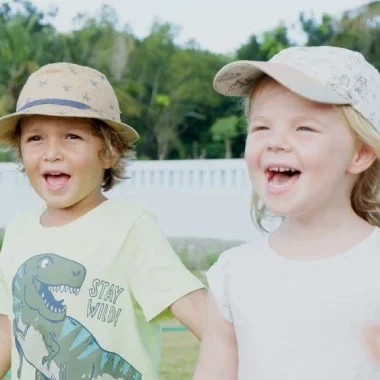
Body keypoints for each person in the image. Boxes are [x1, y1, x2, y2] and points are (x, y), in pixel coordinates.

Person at [0, 62, 206, 380]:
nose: (51, 153)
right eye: (35, 138)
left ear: (108, 153)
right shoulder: (17, 230)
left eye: (71, 136)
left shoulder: (130, 226)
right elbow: (7, 325)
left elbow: (198, 312)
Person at [193, 46, 380, 380]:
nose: (275, 142)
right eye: (261, 127)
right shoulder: (233, 274)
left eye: (304, 128)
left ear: (360, 153)